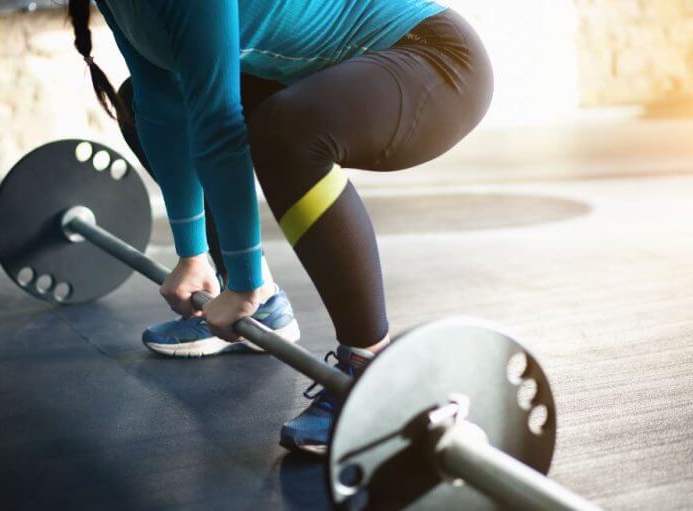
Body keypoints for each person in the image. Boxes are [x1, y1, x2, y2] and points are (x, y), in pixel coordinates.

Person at [67, 0, 493, 454]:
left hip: (436, 61)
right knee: (137, 102)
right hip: (326, 72)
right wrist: (192, 254)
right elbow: (161, 103)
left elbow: (217, 120)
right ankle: (259, 300)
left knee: (287, 132)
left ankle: (369, 361)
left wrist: (244, 279)